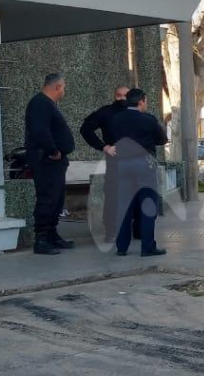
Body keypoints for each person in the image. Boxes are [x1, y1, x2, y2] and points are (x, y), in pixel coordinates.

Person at [109, 88, 169, 257]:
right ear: (141, 101)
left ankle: (121, 247)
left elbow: (113, 138)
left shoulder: (117, 119)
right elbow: (162, 139)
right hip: (144, 165)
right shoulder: (148, 119)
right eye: (146, 101)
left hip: (123, 165)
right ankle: (147, 247)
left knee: (124, 206)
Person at [24, 73, 75, 255]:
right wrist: (53, 151)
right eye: (63, 87)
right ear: (58, 87)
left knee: (57, 198)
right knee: (47, 197)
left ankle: (52, 234)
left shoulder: (48, 104)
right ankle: (41, 238)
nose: (64, 90)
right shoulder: (40, 103)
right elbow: (40, 131)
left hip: (55, 162)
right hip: (46, 160)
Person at [79, 85, 129, 241]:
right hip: (115, 159)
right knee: (113, 195)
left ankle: (135, 229)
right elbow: (86, 129)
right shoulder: (106, 112)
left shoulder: (135, 112)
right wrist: (103, 146)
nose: (122, 98)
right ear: (114, 96)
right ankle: (111, 231)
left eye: (125, 95)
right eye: (119, 95)